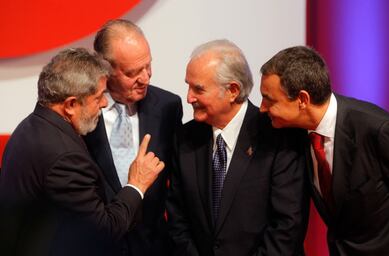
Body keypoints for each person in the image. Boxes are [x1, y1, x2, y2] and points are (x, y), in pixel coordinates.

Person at [0, 48, 164, 256]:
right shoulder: (64, 158)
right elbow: (103, 231)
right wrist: (137, 185)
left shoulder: (31, 126)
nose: (105, 103)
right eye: (98, 97)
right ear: (71, 104)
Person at [259, 45, 389, 255]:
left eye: (269, 99)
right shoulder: (292, 133)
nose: (262, 108)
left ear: (302, 100)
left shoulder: (378, 130)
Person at [166, 39, 309, 256]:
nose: (189, 97)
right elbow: (178, 219)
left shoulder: (280, 137)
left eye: (198, 89)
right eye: (188, 85)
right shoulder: (185, 138)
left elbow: (287, 226)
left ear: (232, 90)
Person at [83, 19, 183, 256]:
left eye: (148, 66)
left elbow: (178, 186)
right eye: (133, 72)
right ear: (105, 69)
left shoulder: (168, 107)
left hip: (153, 246)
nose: (146, 78)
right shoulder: (81, 111)